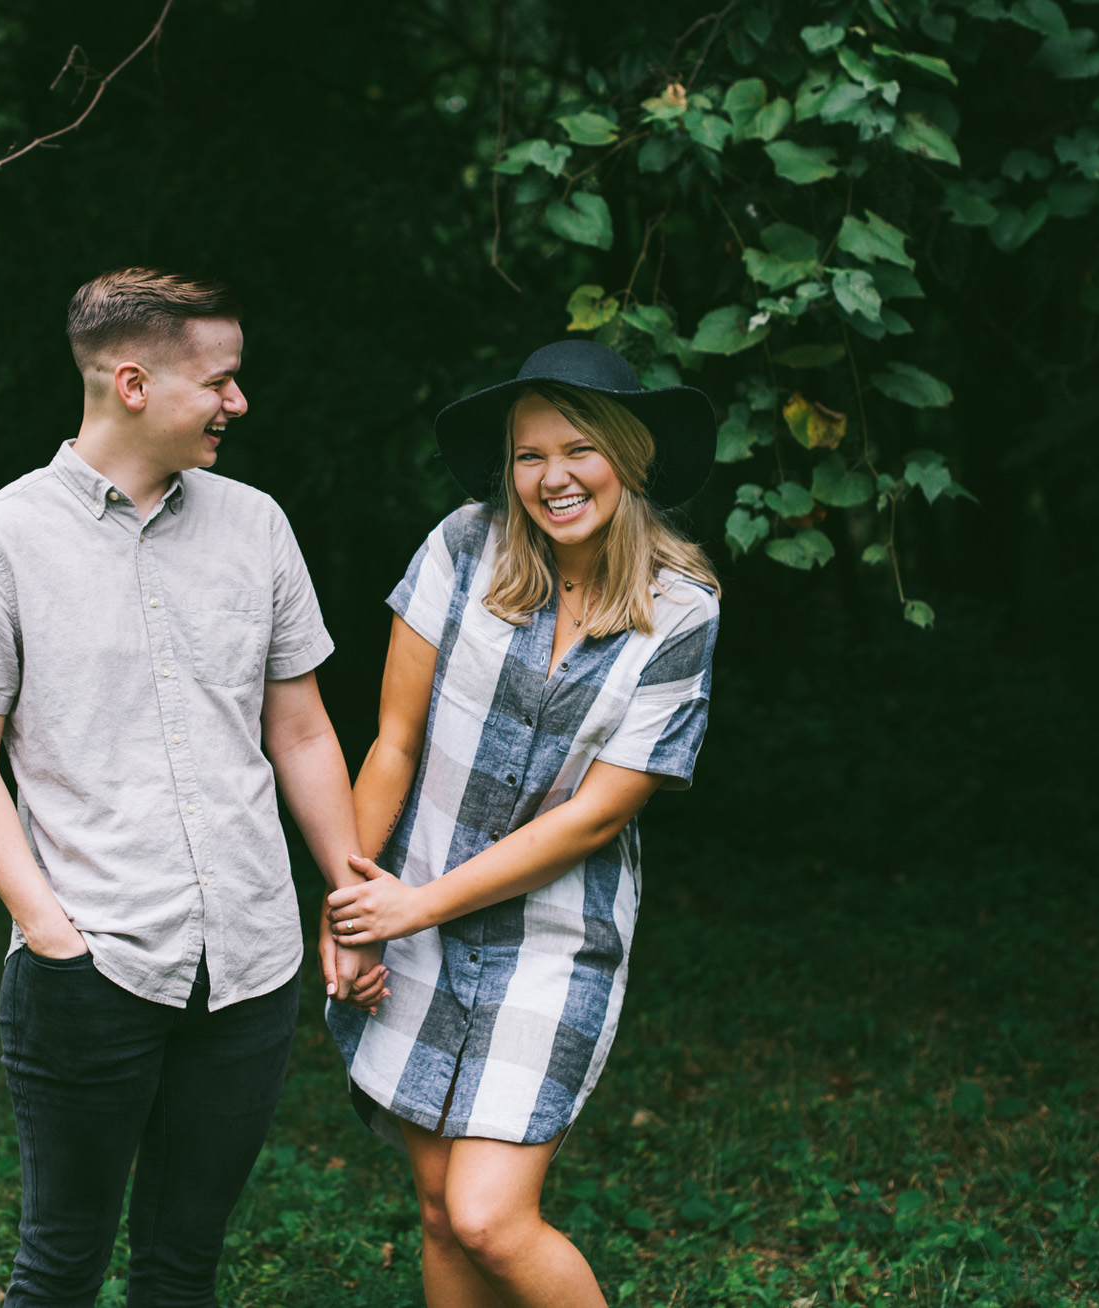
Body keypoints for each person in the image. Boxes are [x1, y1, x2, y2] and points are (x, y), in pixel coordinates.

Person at [0, 267, 384, 1308]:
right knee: (59, 1268)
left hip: (252, 963)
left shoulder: (256, 525)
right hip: (91, 962)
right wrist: (51, 935)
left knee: (182, 1270)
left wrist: (350, 899)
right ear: (132, 383)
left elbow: (302, 729)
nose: (238, 402)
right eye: (218, 381)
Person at [322, 340, 722, 1308]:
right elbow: (392, 744)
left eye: (579, 449)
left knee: (487, 1217)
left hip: (552, 937)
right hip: (405, 909)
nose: (552, 477)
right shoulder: (462, 547)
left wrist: (412, 908)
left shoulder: (681, 612)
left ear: (630, 456)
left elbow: (592, 820)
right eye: (528, 454)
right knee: (435, 1208)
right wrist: (352, 908)